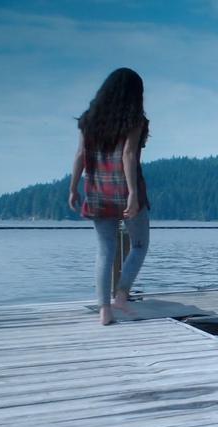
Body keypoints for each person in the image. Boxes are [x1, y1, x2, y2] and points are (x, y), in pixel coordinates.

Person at [68, 68, 150, 325]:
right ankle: (122, 295)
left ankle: (105, 310)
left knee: (104, 251)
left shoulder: (88, 119)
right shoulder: (134, 120)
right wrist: (133, 194)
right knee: (139, 245)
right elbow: (128, 155)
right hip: (126, 191)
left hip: (98, 192)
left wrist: (73, 188)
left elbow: (80, 154)